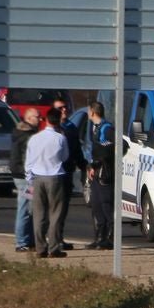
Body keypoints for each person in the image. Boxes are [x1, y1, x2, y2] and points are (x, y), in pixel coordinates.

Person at [25, 104, 69, 258]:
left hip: (37, 177)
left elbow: (28, 162)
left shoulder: (35, 138)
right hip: (55, 176)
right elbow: (64, 157)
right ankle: (54, 247)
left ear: (46, 120)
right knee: (55, 213)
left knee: (39, 214)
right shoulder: (60, 138)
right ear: (58, 121)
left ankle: (40, 247)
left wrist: (29, 180)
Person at [53, 98, 86, 251]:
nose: (64, 110)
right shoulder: (51, 128)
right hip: (52, 174)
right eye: (60, 108)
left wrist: (84, 167)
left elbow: (76, 151)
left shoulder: (71, 127)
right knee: (52, 209)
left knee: (63, 208)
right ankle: (51, 239)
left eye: (65, 107)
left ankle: (58, 237)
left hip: (67, 173)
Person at [86, 101, 116, 249]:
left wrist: (101, 161)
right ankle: (99, 237)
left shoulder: (107, 129)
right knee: (96, 204)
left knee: (106, 204)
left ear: (92, 112)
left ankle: (110, 239)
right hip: (95, 173)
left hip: (105, 173)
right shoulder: (94, 128)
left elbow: (117, 148)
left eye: (88, 111)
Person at [9, 107, 40, 252]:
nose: (39, 119)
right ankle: (21, 242)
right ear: (28, 119)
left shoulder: (21, 133)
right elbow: (25, 158)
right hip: (25, 177)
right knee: (25, 208)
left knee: (30, 208)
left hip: (22, 174)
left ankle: (29, 240)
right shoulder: (27, 136)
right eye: (36, 117)